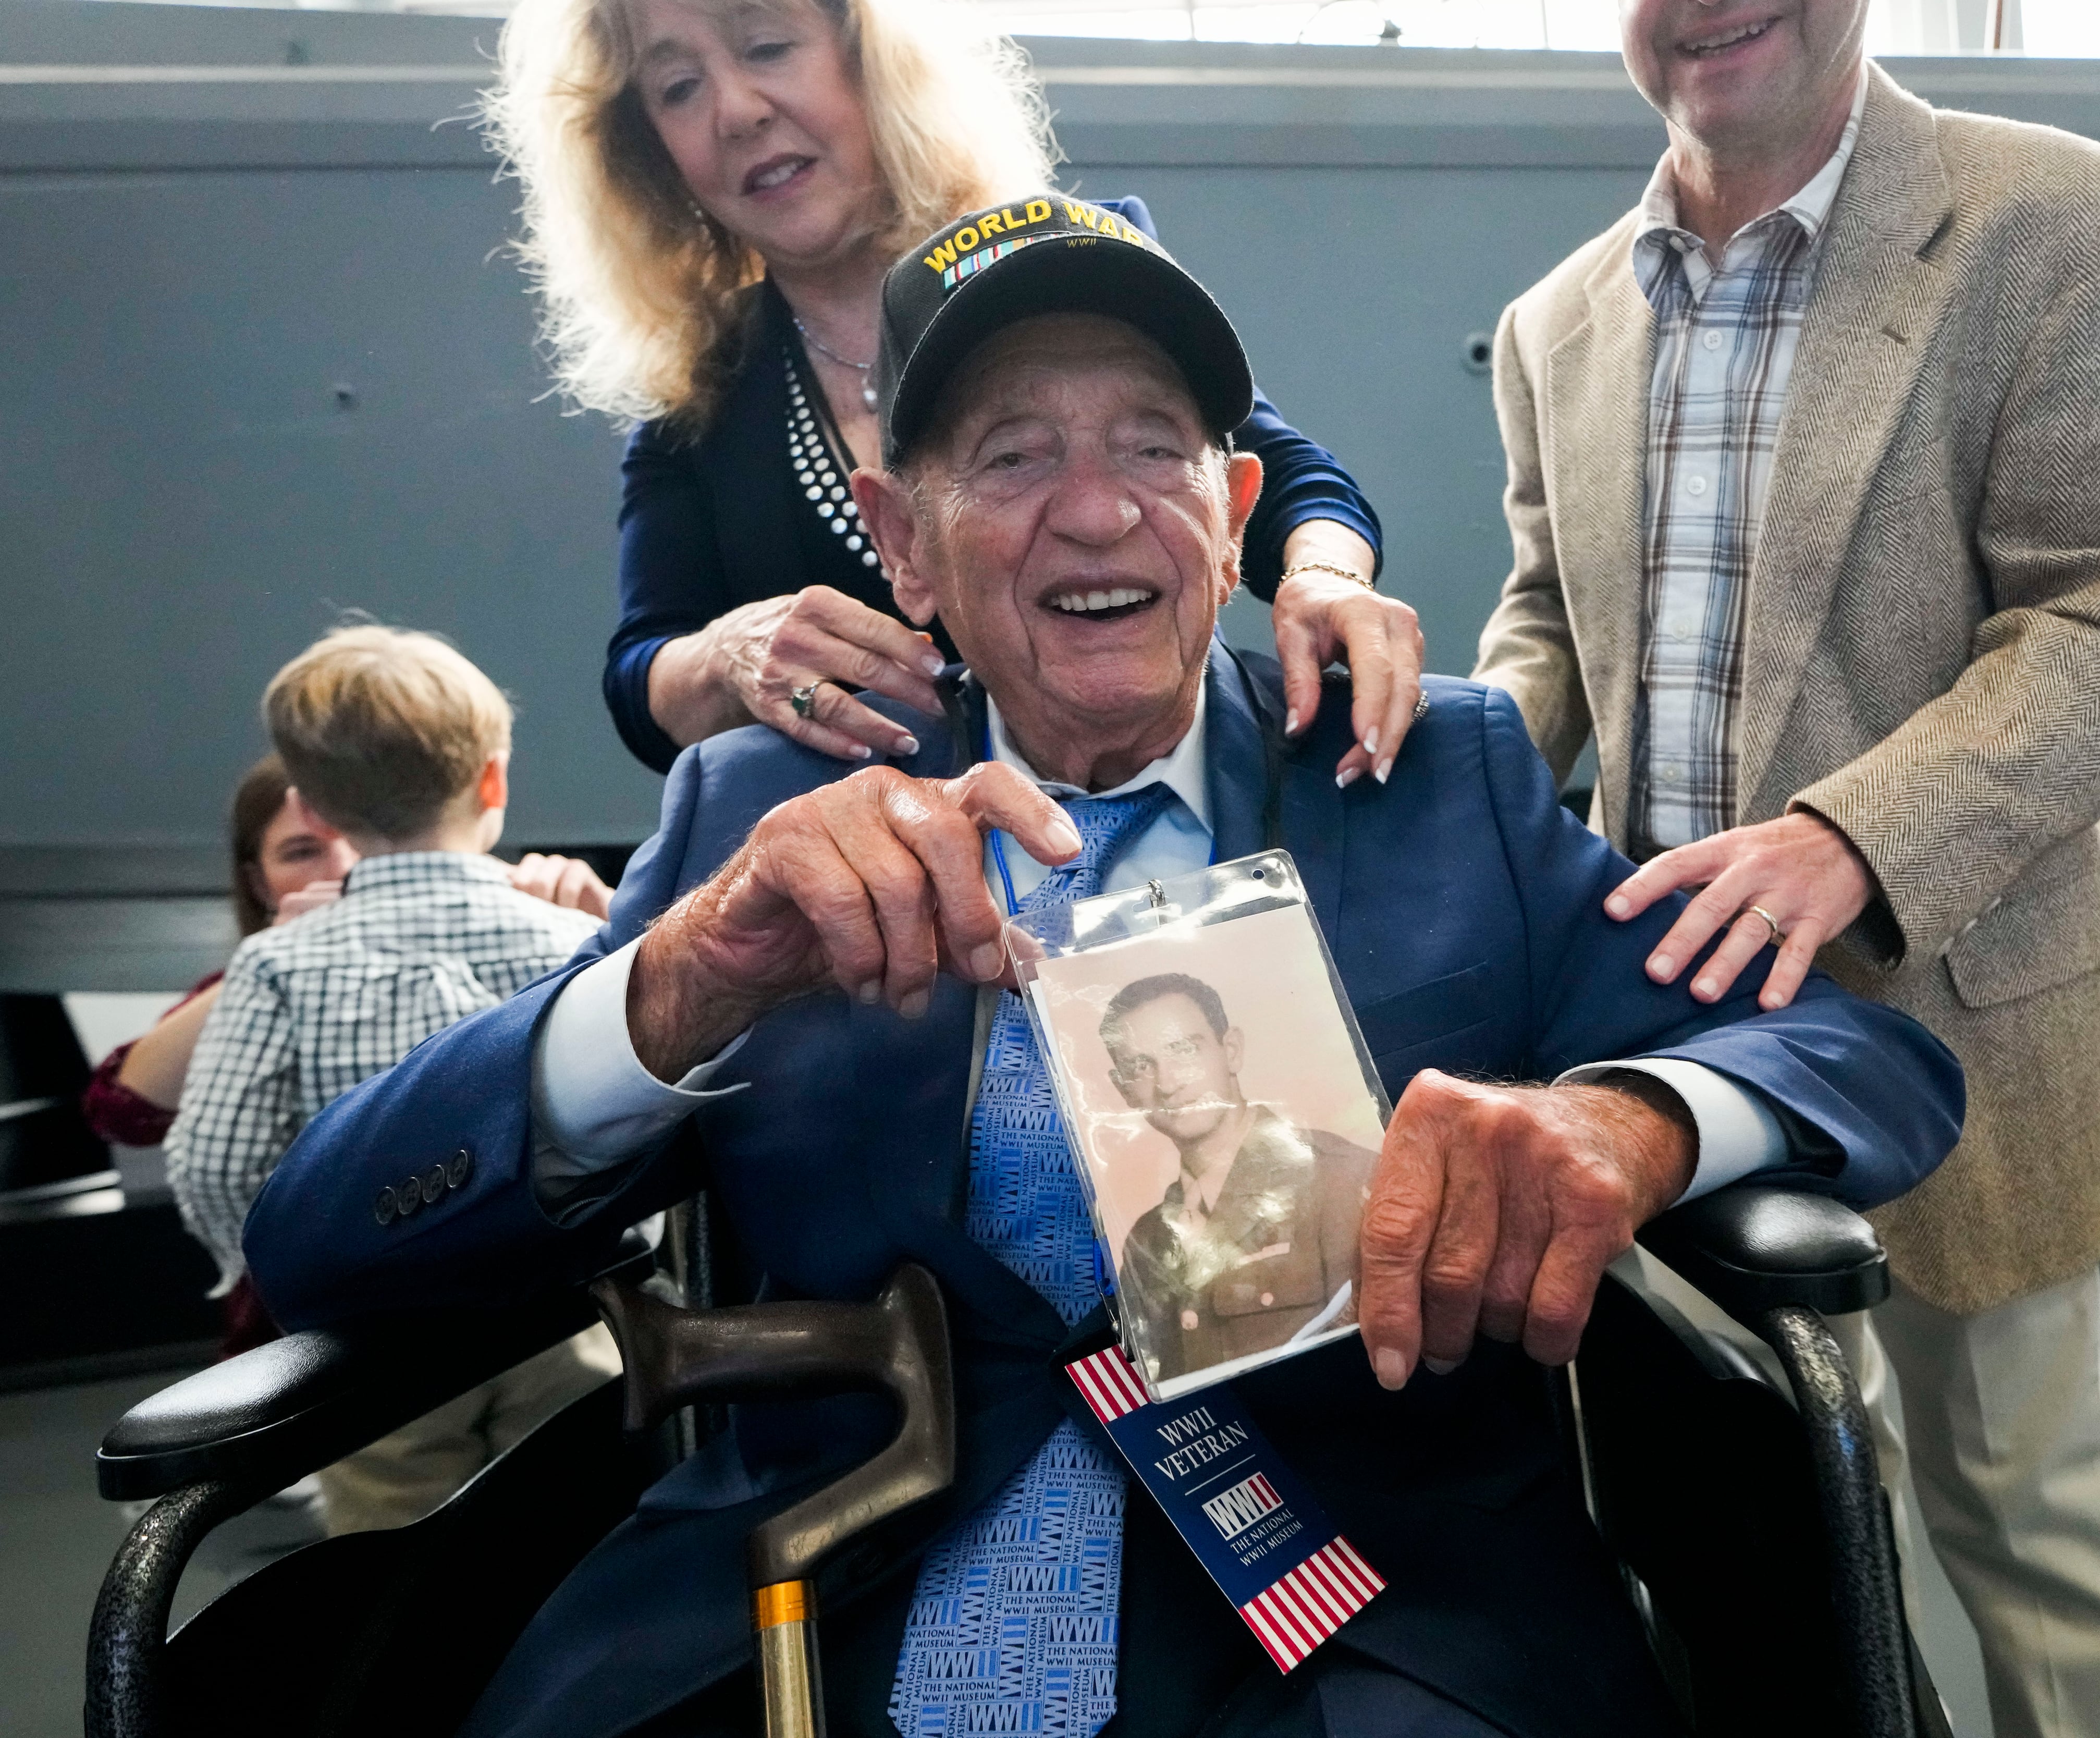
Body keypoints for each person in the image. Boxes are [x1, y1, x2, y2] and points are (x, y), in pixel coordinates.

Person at [242, 202, 1966, 1738]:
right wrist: (688, 976)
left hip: (1372, 1589)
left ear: (1227, 515)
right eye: (1007, 457)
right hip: (839, 1582)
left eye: (1151, 445)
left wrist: (1630, 1125)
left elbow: (1860, 1058)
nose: (1094, 508)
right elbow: (322, 1231)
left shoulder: (1434, 776)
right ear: (903, 547)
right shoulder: (758, 809)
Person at [1470, 5, 2100, 1734]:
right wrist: (1441, 768)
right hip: (1676, 1044)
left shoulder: (2078, 227)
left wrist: (1856, 836)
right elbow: (1552, 617)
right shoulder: (1557, 320)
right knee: (1785, 1501)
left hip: (1967, 1005)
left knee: (2028, 1507)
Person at [485, 0, 1425, 787]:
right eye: (677, 87)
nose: (735, 110)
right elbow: (641, 675)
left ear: (872, 60)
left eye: (767, 45)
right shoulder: (702, 394)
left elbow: (1280, 477)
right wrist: (730, 652)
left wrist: (1326, 578)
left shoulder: (1072, 266)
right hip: (883, 895)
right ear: (645, 153)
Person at [167, 626, 620, 1535]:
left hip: (375, 1343)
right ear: (492, 780)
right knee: (577, 1542)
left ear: (315, 810)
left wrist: (282, 1279)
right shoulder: (573, 942)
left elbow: (213, 1160)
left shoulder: (276, 963)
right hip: (566, 1318)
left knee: (395, 1596)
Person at [83, 754, 358, 1355]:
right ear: (259, 884)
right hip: (304, 1336)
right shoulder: (246, 987)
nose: (340, 871)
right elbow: (121, 1110)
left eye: (357, 838)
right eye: (302, 852)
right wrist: (272, 959)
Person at [1100, 972, 1377, 1387]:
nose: (1168, 1084)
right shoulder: (1147, 1239)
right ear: (1122, 1088)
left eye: (1183, 1049)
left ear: (1231, 1051)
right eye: (1140, 1066)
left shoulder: (1339, 1178)